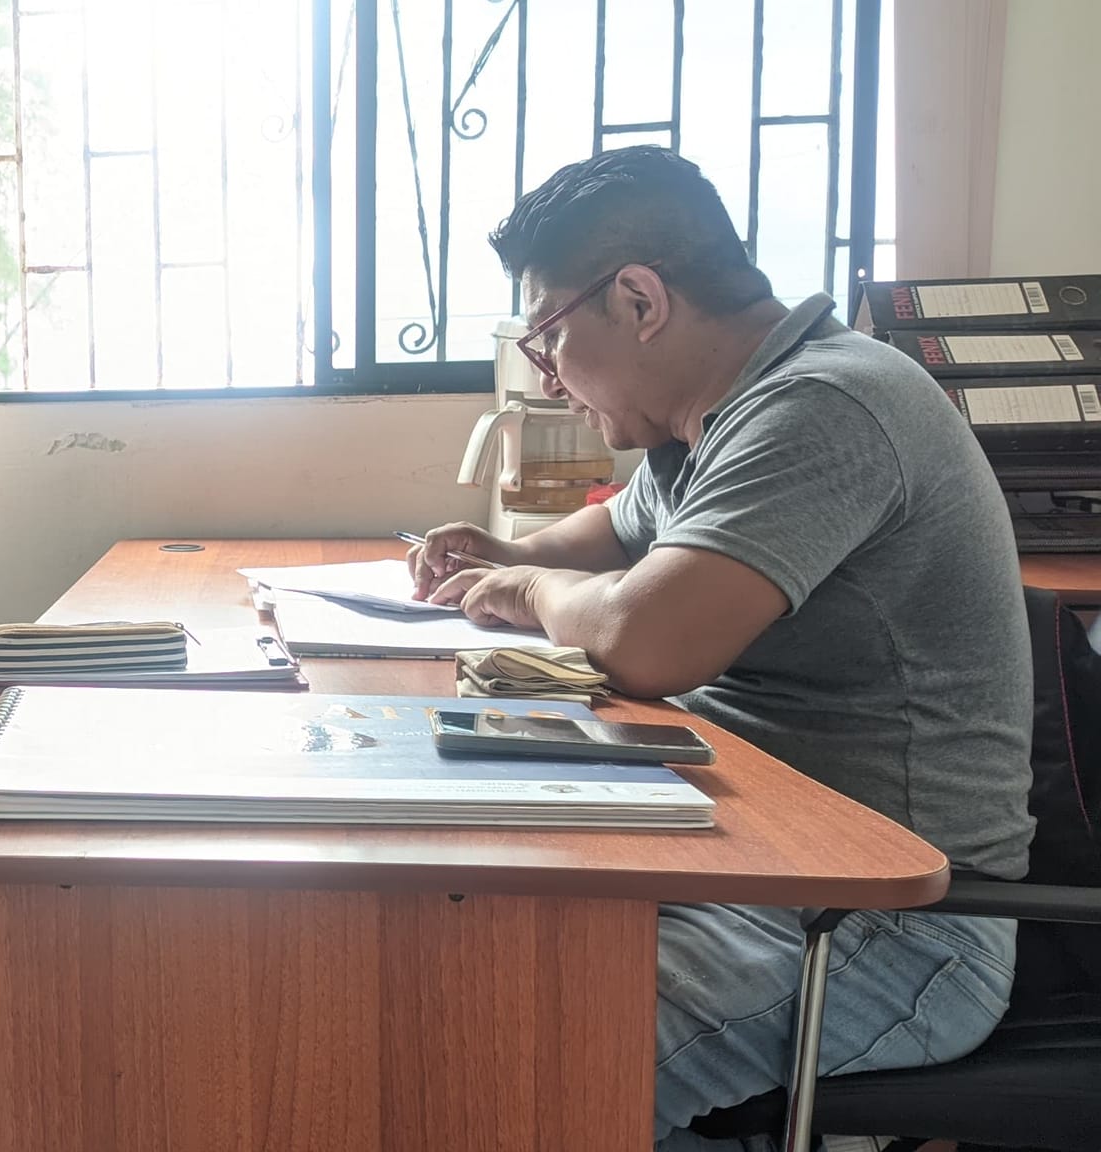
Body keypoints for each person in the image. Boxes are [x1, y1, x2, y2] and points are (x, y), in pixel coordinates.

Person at [409, 146, 1033, 1150]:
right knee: (442, 967)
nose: (549, 380)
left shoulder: (822, 406)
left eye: (548, 339)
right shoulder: (709, 418)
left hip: (883, 923)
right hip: (749, 859)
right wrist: (508, 552)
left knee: (510, 1073)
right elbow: (617, 533)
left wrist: (526, 590)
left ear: (639, 300)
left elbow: (645, 642)